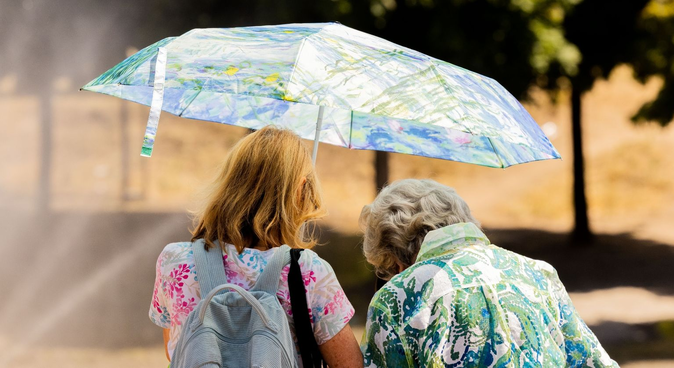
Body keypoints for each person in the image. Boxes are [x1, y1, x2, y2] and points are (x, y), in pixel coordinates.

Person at [150, 126, 363, 368]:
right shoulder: (309, 272)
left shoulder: (174, 261)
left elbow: (176, 350)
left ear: (230, 180)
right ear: (300, 190)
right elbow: (350, 365)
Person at [359, 179, 618, 368]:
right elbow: (592, 362)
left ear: (394, 258)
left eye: (388, 270)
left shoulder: (397, 298)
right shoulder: (539, 273)